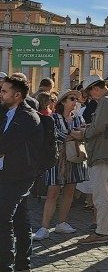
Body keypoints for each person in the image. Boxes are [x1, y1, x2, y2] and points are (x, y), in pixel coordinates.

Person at [0, 75, 44, 271]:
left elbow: (5, 144)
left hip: (19, 175)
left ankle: (6, 265)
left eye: (4, 91)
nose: (0, 94)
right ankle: (23, 265)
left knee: (3, 218)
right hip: (6, 172)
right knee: (20, 219)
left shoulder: (28, 117)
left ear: (17, 95)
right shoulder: (4, 112)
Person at [33, 90, 88, 240]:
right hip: (57, 158)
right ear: (63, 101)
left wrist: (73, 135)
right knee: (53, 192)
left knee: (70, 191)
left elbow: (84, 134)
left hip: (75, 157)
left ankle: (62, 222)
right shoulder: (54, 118)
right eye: (72, 99)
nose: (75, 102)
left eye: (76, 99)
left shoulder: (78, 117)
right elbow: (56, 135)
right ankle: (44, 226)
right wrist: (73, 135)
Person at [78, 75, 108, 245]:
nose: (90, 99)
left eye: (90, 95)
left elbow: (99, 127)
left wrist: (83, 133)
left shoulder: (106, 101)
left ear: (95, 89)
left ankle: (101, 232)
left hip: (102, 151)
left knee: (101, 194)